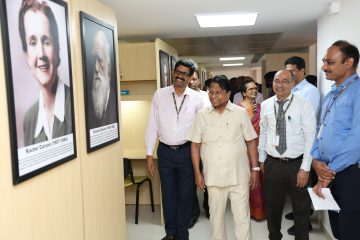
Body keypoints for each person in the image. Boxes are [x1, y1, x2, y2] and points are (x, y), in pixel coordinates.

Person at [188, 75, 259, 240]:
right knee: (216, 221)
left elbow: (251, 142)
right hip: (213, 177)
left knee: (242, 220)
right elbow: (195, 146)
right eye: (210, 92)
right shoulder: (202, 115)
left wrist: (255, 169)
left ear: (228, 93)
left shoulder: (240, 113)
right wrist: (197, 174)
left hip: (238, 176)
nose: (213, 96)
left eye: (218, 92)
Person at [145, 59, 203, 240]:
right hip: (165, 152)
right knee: (168, 194)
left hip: (187, 152)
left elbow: (202, 129)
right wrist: (149, 154)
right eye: (177, 71)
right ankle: (170, 233)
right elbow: (152, 125)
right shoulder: (160, 95)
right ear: (173, 72)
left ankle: (182, 233)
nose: (179, 76)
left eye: (185, 73)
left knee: (186, 194)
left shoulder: (197, 98)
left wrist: (202, 159)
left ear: (191, 77)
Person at [259, 70, 316, 240]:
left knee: (301, 209)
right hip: (273, 164)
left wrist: (305, 168)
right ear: (272, 83)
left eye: (285, 81)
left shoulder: (304, 105)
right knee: (273, 207)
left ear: (292, 84)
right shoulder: (266, 105)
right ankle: (274, 236)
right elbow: (263, 132)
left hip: (296, 165)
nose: (280, 85)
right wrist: (262, 159)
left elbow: (310, 138)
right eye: (277, 81)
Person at [311, 40, 360, 240]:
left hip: (349, 176)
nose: (323, 67)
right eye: (324, 61)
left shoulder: (357, 92)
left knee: (351, 232)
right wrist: (315, 159)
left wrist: (326, 174)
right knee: (338, 232)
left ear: (348, 63)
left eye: (330, 62)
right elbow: (319, 130)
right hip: (329, 174)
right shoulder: (331, 94)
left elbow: (357, 139)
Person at [19, 0, 72, 146]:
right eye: (33, 42)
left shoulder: (76, 104)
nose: (41, 53)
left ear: (57, 49)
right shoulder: (29, 120)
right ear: (27, 56)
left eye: (46, 41)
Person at [284, 56, 320, 235]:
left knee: (303, 187)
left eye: (291, 71)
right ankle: (298, 215)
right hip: (291, 147)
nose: (288, 74)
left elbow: (308, 122)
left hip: (303, 146)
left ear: (302, 71)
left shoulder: (309, 91)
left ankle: (304, 223)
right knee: (296, 188)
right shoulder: (291, 90)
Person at [238, 79, 266, 221]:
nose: (254, 91)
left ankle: (262, 211)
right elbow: (239, 130)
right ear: (243, 93)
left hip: (261, 147)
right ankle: (251, 211)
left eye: (256, 88)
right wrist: (252, 116)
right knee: (250, 180)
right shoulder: (239, 108)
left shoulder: (262, 106)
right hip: (246, 149)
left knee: (262, 179)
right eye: (250, 89)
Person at [187, 70, 211, 227]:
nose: (192, 82)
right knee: (190, 180)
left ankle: (208, 207)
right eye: (190, 79)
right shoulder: (181, 96)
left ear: (199, 81)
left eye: (194, 79)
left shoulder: (206, 96)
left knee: (207, 176)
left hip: (206, 144)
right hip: (189, 145)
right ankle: (193, 212)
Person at [87, 30, 117, 129]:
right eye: (94, 59)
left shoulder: (115, 102)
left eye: (100, 60)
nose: (96, 68)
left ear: (109, 65)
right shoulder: (86, 101)